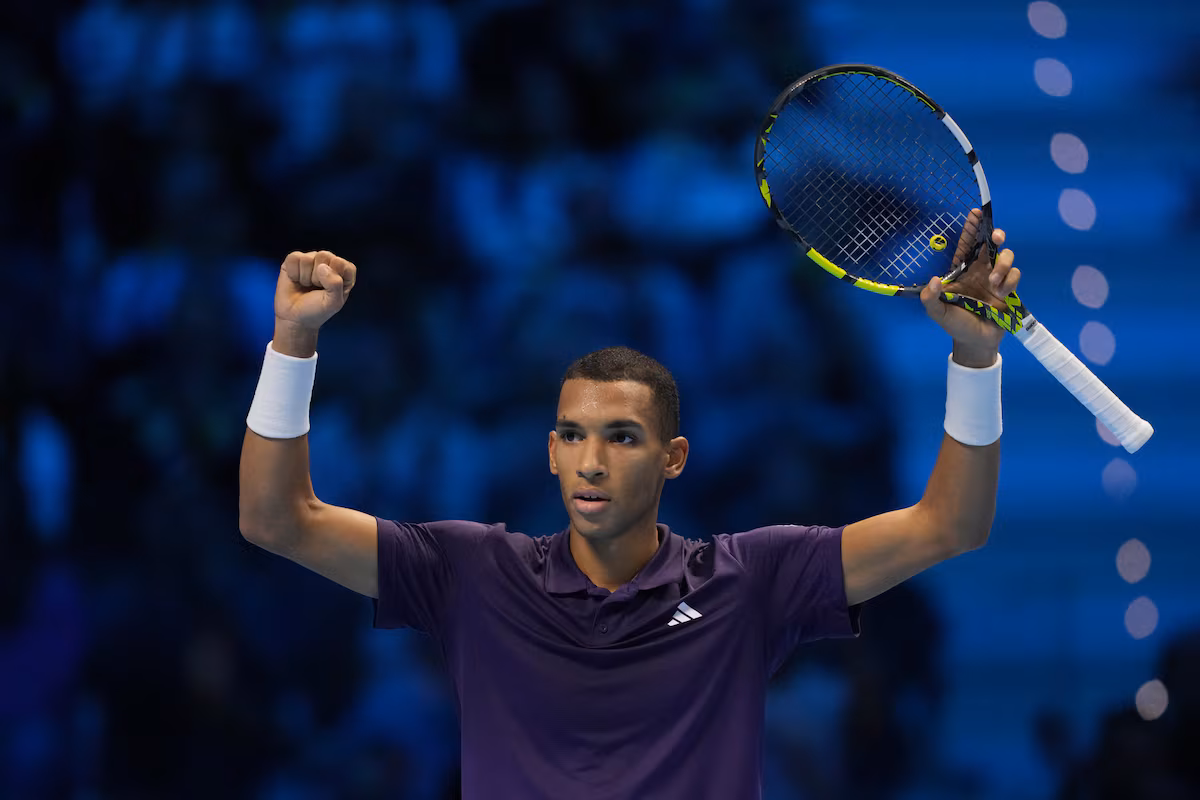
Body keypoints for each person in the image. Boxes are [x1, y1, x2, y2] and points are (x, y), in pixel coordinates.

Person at [238, 209, 1021, 799]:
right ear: (550, 452)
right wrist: (291, 344)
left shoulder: (749, 580)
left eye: (622, 437)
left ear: (673, 459)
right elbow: (277, 520)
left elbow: (948, 524)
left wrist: (976, 357)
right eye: (573, 436)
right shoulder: (470, 570)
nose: (592, 461)